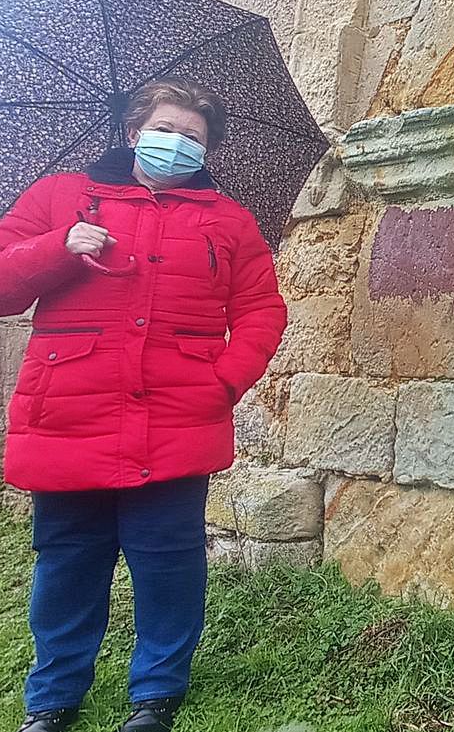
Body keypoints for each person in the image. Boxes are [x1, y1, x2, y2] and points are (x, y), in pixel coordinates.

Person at [0, 79, 288, 732]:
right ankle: (52, 699)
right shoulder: (61, 196)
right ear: (134, 132)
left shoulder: (229, 219)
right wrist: (59, 245)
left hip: (178, 417)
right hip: (69, 412)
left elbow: (261, 310)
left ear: (208, 147)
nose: (176, 143)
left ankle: (156, 694)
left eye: (193, 136)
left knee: (169, 562)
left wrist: (223, 381)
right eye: (165, 129)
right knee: (68, 560)